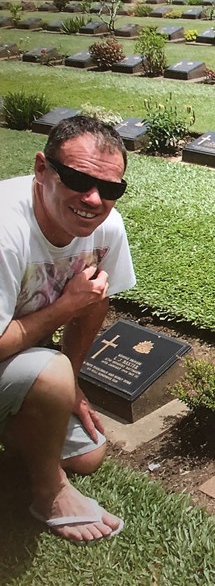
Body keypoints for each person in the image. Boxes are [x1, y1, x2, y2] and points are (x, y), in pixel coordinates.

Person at [0, 116, 135, 543]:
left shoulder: (104, 229)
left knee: (89, 455)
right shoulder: (6, 229)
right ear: (42, 169)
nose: (94, 199)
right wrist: (67, 307)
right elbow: (78, 306)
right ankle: (49, 493)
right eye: (78, 179)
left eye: (111, 189)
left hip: (21, 352)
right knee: (52, 372)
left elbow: (97, 303)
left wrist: (70, 384)